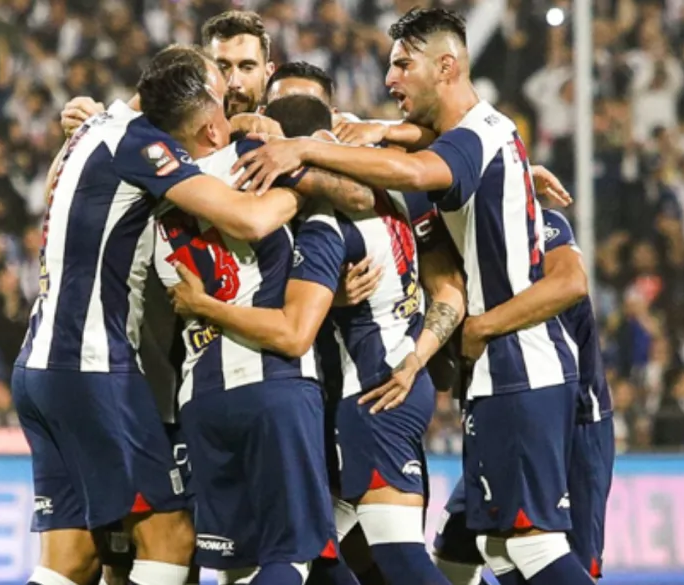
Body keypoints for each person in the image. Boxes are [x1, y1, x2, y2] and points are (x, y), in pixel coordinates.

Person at [229, 8, 591, 585]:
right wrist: (379, 130)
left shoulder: (458, 150)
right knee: (494, 551)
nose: (390, 79)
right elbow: (424, 149)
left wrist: (307, 151)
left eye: (402, 64)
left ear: (446, 65)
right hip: (499, 372)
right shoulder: (495, 129)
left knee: (528, 547)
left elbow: (421, 171)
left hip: (514, 369)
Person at [13, 44, 315, 585]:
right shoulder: (139, 144)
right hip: (92, 363)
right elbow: (247, 220)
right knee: (170, 536)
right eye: (218, 93)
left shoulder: (95, 128)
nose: (226, 102)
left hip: (39, 367)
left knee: (72, 559)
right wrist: (300, 188)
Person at [170, 94, 465, 585]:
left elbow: (294, 329)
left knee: (399, 558)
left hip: (370, 392)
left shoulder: (326, 227)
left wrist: (205, 307)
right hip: (394, 378)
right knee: (322, 551)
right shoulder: (395, 193)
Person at [435, 209, 615, 584]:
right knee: (462, 549)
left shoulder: (537, 226)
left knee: (542, 553)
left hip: (572, 421)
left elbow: (571, 283)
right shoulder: (455, 239)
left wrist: (480, 327)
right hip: (498, 414)